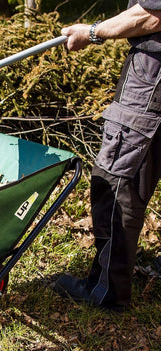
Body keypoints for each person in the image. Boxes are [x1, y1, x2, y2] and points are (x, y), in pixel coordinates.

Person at [54, 1, 161, 312]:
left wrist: (92, 32)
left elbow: (151, 15)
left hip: (153, 77)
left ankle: (106, 291)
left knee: (116, 182)